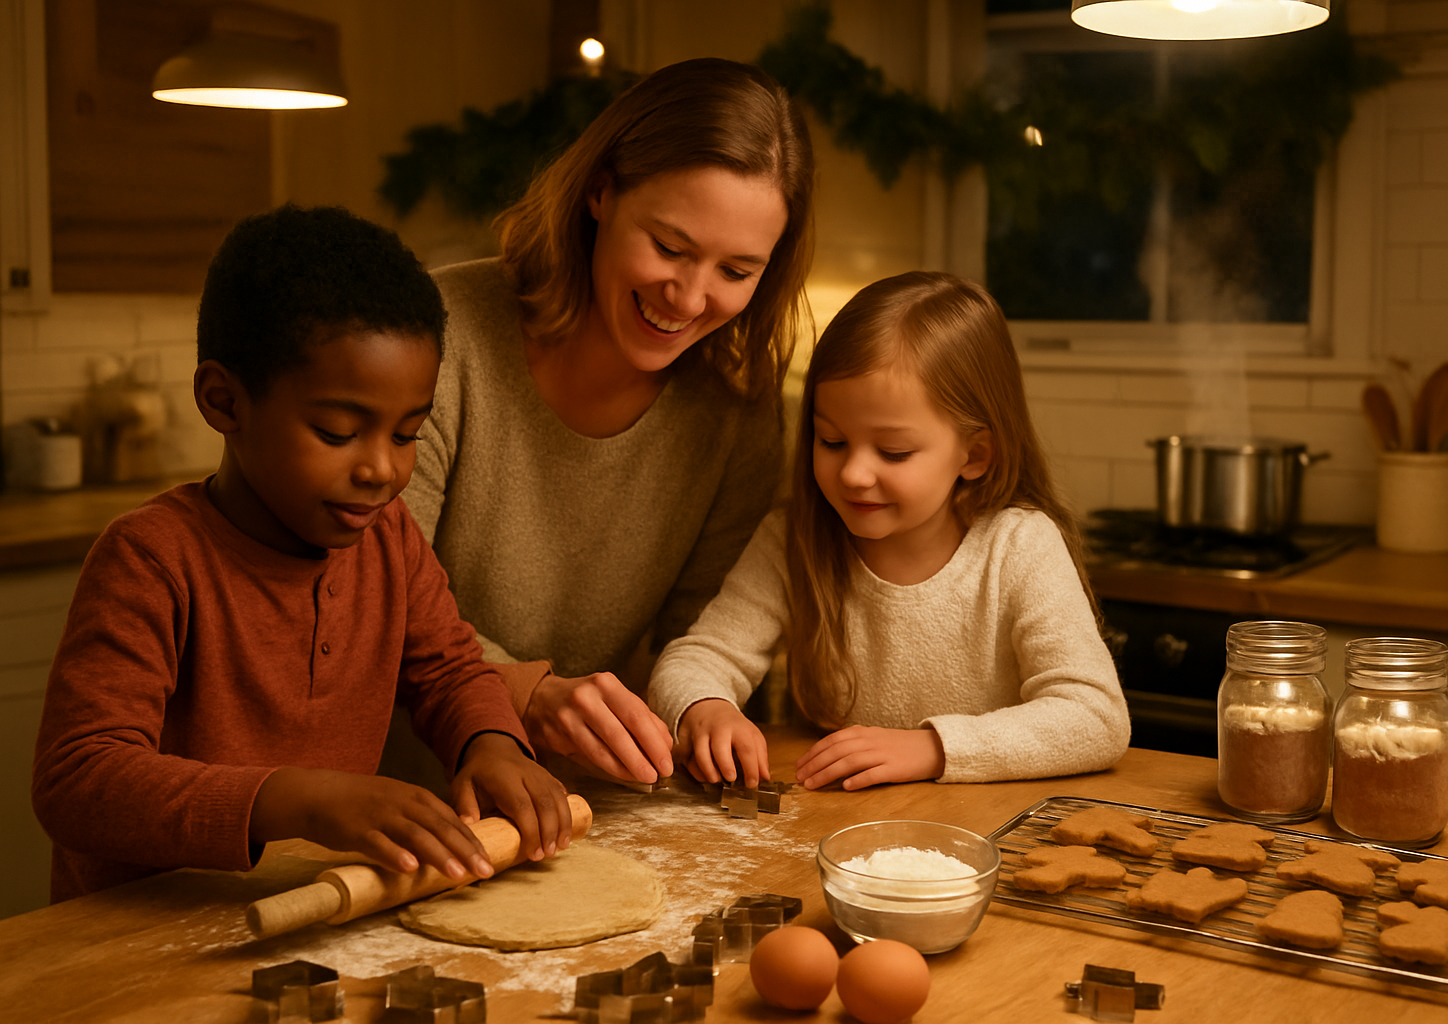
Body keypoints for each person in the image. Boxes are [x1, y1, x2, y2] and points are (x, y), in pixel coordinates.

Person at [32, 205, 571, 903]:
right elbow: (78, 780)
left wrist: (489, 743)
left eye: (407, 433)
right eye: (338, 431)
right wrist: (298, 801)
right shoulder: (152, 558)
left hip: (308, 909)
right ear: (224, 401)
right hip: (138, 936)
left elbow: (449, 672)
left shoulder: (388, 538)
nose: (382, 469)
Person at [400, 57, 815, 785]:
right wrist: (525, 693)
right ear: (600, 192)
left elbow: (701, 644)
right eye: (670, 247)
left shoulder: (737, 409)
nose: (688, 297)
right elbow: (372, 602)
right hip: (401, 801)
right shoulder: (437, 333)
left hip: (600, 810)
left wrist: (702, 711)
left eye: (736, 271)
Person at [647, 271, 1130, 790]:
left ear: (975, 454)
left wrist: (933, 749)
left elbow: (1096, 718)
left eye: (893, 452)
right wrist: (706, 706)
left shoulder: (1019, 546)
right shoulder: (794, 538)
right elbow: (697, 658)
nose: (854, 473)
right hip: (845, 833)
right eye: (831, 441)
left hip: (982, 835)